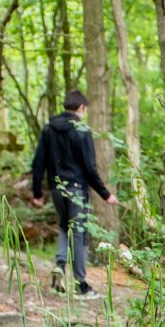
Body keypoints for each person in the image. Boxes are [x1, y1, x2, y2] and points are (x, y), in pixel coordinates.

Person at [29, 89, 118, 298]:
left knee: (63, 226)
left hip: (56, 188)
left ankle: (60, 266)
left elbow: (38, 163)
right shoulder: (82, 130)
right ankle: (81, 284)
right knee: (78, 233)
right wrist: (106, 195)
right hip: (76, 189)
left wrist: (37, 193)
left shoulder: (49, 129)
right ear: (81, 108)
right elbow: (89, 168)